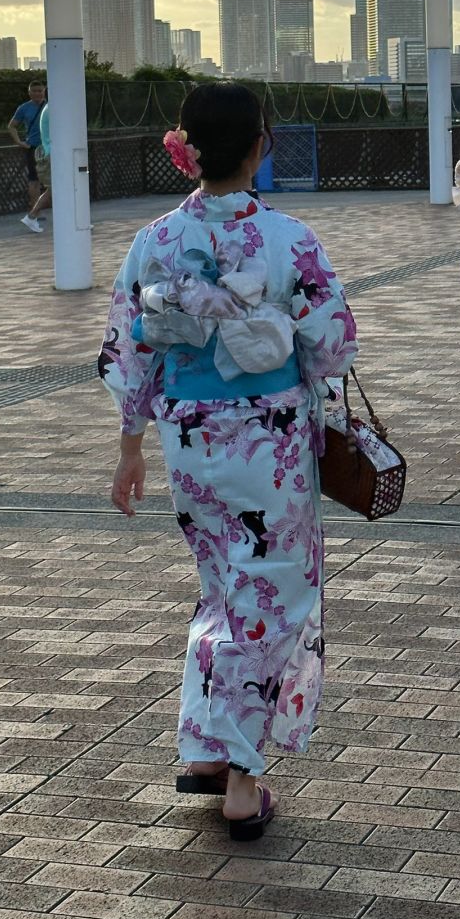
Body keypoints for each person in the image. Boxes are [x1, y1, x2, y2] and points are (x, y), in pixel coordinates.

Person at [99, 82, 358, 842]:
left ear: (191, 146)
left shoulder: (155, 241)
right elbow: (336, 342)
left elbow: (128, 348)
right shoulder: (288, 240)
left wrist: (128, 448)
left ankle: (207, 749)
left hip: (190, 436)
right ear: (259, 146)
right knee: (275, 596)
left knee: (220, 587)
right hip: (268, 441)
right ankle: (244, 774)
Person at [8, 81, 47, 231]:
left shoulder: (50, 106)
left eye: (40, 91)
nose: (38, 94)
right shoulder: (24, 108)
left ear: (44, 91)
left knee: (49, 181)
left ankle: (36, 211)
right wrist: (19, 142)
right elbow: (11, 125)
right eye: (35, 91)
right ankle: (35, 211)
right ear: (29, 93)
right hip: (34, 147)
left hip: (49, 146)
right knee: (34, 180)